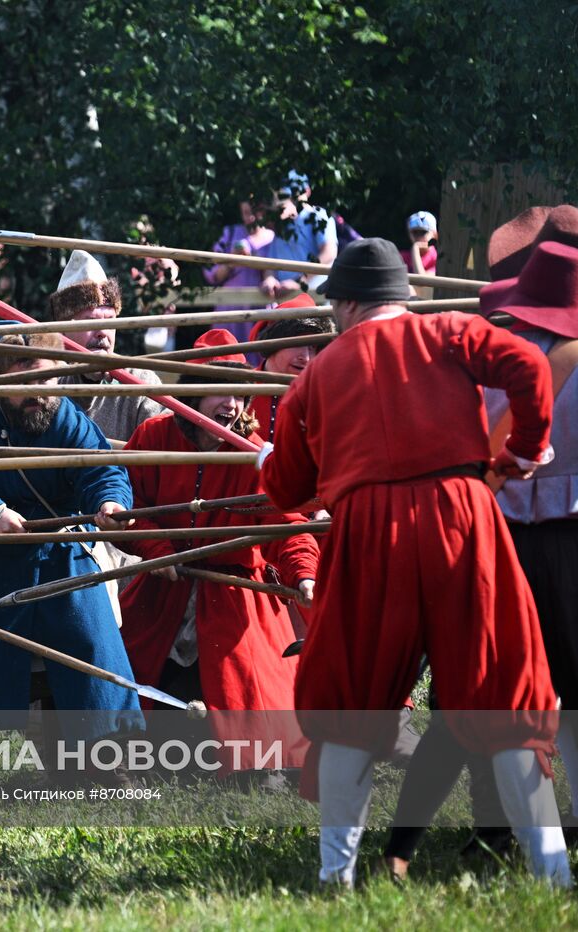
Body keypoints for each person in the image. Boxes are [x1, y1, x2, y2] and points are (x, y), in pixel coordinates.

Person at [258, 236, 569, 887]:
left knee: (350, 702)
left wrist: (269, 462)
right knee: (504, 694)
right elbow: (530, 370)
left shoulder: (312, 379)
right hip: (463, 516)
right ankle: (552, 874)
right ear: (403, 296)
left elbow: (287, 491)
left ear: (345, 303)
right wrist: (527, 448)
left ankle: (334, 877)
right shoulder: (452, 330)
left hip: (369, 532)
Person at [381, 235, 578, 877]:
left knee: (496, 694)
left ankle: (493, 834)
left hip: (496, 544)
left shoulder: (487, 363)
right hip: (553, 541)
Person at [117, 330, 317, 770]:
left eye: (239, 394)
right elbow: (128, 511)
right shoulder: (153, 436)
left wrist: (304, 573)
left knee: (251, 708)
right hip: (161, 590)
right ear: (192, 392)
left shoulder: (255, 455)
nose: (231, 404)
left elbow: (286, 524)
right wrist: (157, 547)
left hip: (235, 593)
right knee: (141, 701)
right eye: (218, 392)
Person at [0, 334, 141, 725]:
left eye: (47, 382)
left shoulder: (67, 418)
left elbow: (101, 471)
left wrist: (109, 503)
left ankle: (110, 753)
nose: (40, 393)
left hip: (61, 555)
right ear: (0, 379)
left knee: (92, 647)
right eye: (28, 383)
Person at [50, 249, 165, 443]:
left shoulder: (140, 382)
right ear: (63, 330)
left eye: (110, 321)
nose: (103, 332)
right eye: (90, 322)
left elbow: (165, 440)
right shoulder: (46, 380)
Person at [245, 293, 334, 439]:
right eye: (297, 344)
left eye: (312, 347)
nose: (305, 358)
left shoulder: (322, 395)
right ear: (273, 341)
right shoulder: (240, 391)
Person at [204, 199, 276, 341]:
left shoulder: (272, 237)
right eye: (246, 213)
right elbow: (213, 275)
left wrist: (252, 258)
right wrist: (233, 260)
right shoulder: (229, 233)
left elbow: (275, 274)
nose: (250, 218)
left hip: (260, 307)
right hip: (229, 307)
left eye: (254, 213)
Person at [259, 171, 338, 299]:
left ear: (307, 191)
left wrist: (299, 282)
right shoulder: (281, 225)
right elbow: (270, 265)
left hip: (315, 298)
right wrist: (269, 279)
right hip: (285, 300)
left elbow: (329, 253)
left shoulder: (319, 216)